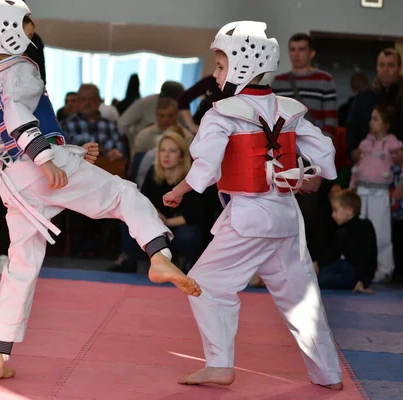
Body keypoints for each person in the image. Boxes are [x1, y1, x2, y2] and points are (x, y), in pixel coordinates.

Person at [0, 0, 201, 383]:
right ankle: (158, 254)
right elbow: (21, 119)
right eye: (26, 26)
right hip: (35, 166)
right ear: (6, 30)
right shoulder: (22, 69)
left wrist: (68, 153)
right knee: (124, 195)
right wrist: (48, 160)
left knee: (20, 267)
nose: (30, 33)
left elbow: (8, 130)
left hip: (12, 182)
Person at [162, 21, 343, 390]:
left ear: (242, 64)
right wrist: (313, 179)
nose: (215, 73)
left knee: (205, 283)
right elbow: (326, 153)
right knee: (302, 298)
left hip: (248, 217)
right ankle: (328, 375)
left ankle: (219, 364)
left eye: (220, 64)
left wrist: (179, 190)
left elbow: (206, 168)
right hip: (287, 218)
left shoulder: (222, 113)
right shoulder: (289, 109)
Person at [349, 105, 401, 283]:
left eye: (375, 119)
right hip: (362, 190)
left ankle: (384, 269)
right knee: (360, 231)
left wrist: (400, 187)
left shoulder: (393, 143)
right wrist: (351, 187)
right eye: (371, 118)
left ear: (386, 124)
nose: (371, 122)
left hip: (380, 192)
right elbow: (357, 168)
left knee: (381, 232)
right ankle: (360, 268)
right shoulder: (365, 143)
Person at [315, 189, 377, 292]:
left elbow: (368, 257)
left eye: (335, 210)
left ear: (349, 210)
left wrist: (363, 280)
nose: (332, 215)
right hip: (346, 267)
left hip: (356, 274)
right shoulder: (342, 231)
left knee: (321, 279)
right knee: (321, 272)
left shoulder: (364, 226)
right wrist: (317, 263)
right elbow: (332, 256)